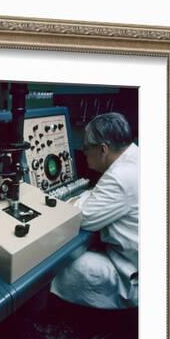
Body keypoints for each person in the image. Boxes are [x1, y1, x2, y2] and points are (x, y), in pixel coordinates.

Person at [50, 112, 138, 310]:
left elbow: (82, 218)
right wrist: (87, 196)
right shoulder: (134, 156)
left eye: (86, 149)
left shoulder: (120, 176)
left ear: (103, 149)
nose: (84, 154)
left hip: (135, 273)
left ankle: (64, 317)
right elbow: (98, 194)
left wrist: (73, 200)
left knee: (67, 265)